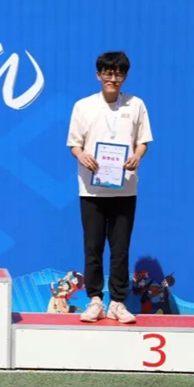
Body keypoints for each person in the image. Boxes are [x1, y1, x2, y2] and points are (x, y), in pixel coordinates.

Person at [67, 51, 153, 324]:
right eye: (107, 73)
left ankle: (117, 302)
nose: (112, 79)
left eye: (118, 74)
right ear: (98, 75)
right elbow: (74, 143)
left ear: (125, 76)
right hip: (91, 189)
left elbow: (143, 141)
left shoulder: (136, 105)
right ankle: (94, 300)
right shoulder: (83, 106)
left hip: (125, 188)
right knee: (92, 248)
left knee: (120, 249)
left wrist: (137, 156)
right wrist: (82, 156)